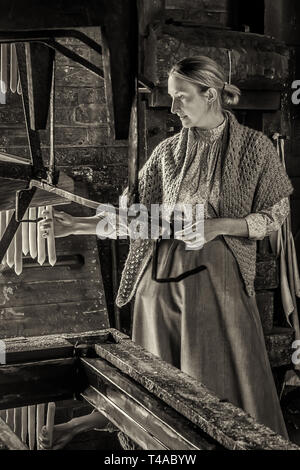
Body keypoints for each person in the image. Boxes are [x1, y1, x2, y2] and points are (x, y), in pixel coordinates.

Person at [39, 55, 293, 448]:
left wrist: (219, 226)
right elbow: (140, 218)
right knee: (158, 381)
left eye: (181, 97)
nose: (173, 107)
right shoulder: (167, 153)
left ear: (210, 95)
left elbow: (275, 215)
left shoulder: (254, 150)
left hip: (217, 291)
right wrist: (78, 225)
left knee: (214, 382)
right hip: (157, 288)